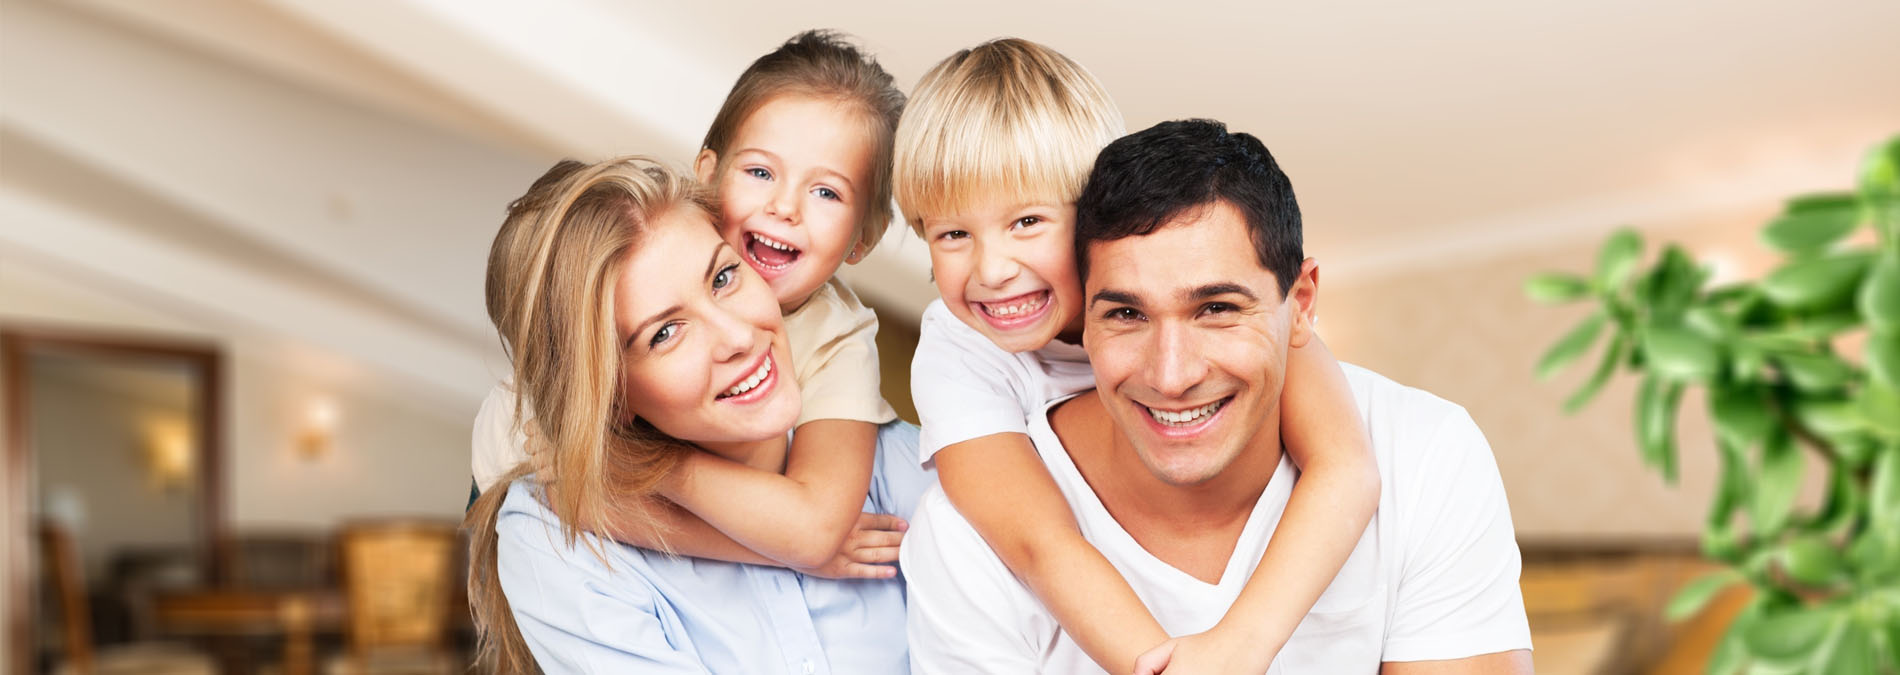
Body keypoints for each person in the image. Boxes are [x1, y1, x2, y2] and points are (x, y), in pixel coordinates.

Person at [901, 119, 1535, 673]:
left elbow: (1347, 465)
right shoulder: (967, 532)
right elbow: (1040, 543)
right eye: (1125, 313)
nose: (1171, 375)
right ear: (1083, 316)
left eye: (1217, 308)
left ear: (1301, 303)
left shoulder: (1421, 454)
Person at [892, 38, 1381, 672]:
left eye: (1027, 223)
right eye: (952, 233)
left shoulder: (1250, 316)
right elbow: (1040, 541)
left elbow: (1346, 468)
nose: (992, 270)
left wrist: (1242, 644)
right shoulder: (957, 354)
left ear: (1098, 212)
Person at [471, 30, 915, 578]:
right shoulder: (606, 302)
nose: (784, 207)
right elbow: (571, 501)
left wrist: (653, 468)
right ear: (708, 177)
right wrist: (789, 555)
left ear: (862, 241)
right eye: (760, 172)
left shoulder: (838, 334)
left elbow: (814, 527)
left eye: (827, 192)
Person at [466, 157, 932, 673]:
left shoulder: (913, 466)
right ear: (608, 397)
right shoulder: (553, 535)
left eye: (724, 277)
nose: (738, 337)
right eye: (664, 333)